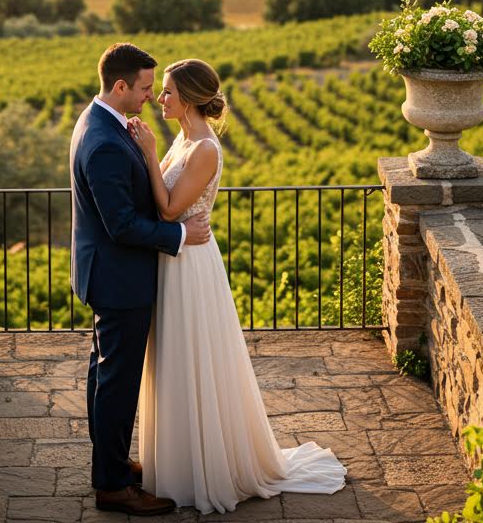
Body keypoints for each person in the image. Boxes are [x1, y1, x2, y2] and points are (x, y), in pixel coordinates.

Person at [130, 57, 347, 515]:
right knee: (174, 358)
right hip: (174, 258)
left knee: (193, 356)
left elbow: (169, 210)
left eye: (167, 92)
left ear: (187, 99)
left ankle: (206, 467)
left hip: (190, 263)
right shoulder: (183, 138)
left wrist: (149, 154)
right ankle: (178, 462)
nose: (160, 99)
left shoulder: (205, 148)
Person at [70, 42, 213, 516]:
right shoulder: (107, 142)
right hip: (119, 279)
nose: (152, 96)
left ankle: (109, 464)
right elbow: (123, 224)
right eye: (147, 87)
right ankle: (112, 486)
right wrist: (177, 233)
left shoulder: (103, 123)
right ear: (120, 86)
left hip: (109, 275)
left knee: (103, 374)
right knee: (117, 382)